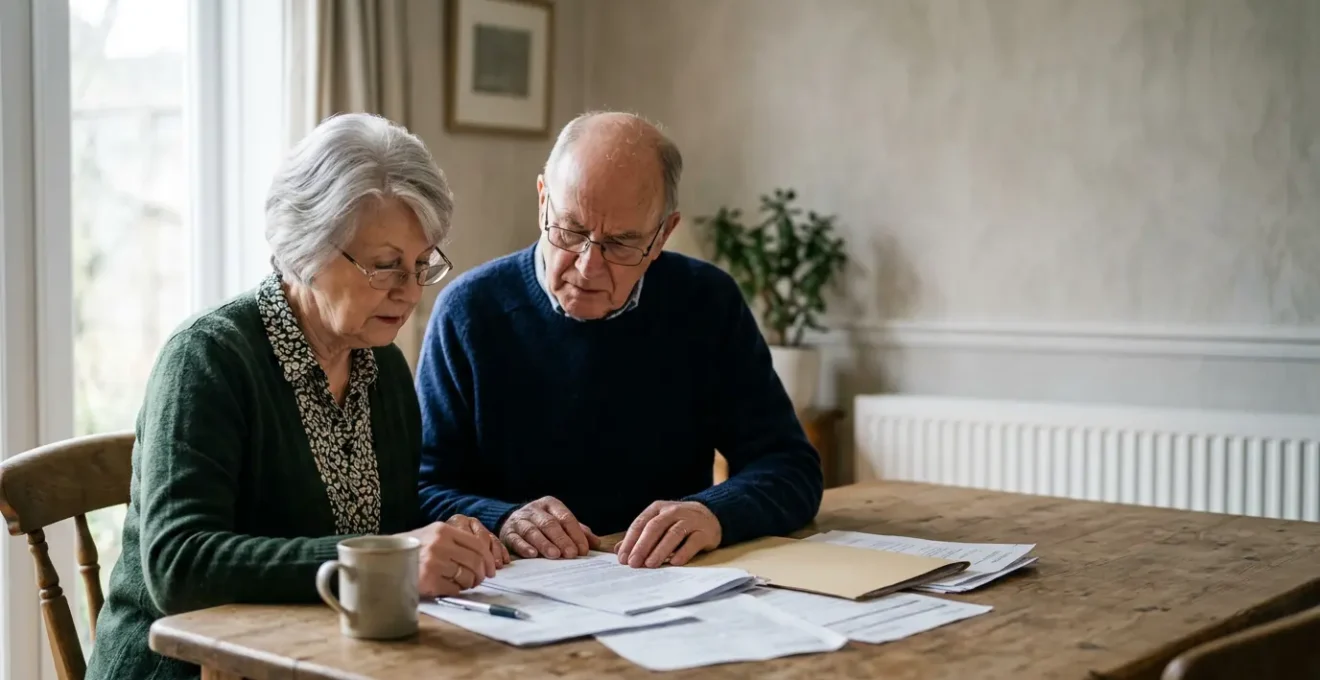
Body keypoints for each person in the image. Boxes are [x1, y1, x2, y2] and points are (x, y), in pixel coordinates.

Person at [87, 113, 508, 680]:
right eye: (385, 265)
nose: (409, 291)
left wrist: (471, 529)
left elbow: (397, 520)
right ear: (308, 246)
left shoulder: (381, 363)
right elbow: (178, 564)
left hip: (319, 661)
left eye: (421, 264)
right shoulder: (206, 358)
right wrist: (378, 563)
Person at [415, 111, 823, 570]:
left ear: (664, 234)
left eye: (622, 244)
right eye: (571, 231)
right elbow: (421, 490)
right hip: (516, 594)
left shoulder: (707, 304)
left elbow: (791, 468)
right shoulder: (469, 312)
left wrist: (715, 513)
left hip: (669, 588)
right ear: (542, 199)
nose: (589, 266)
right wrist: (502, 518)